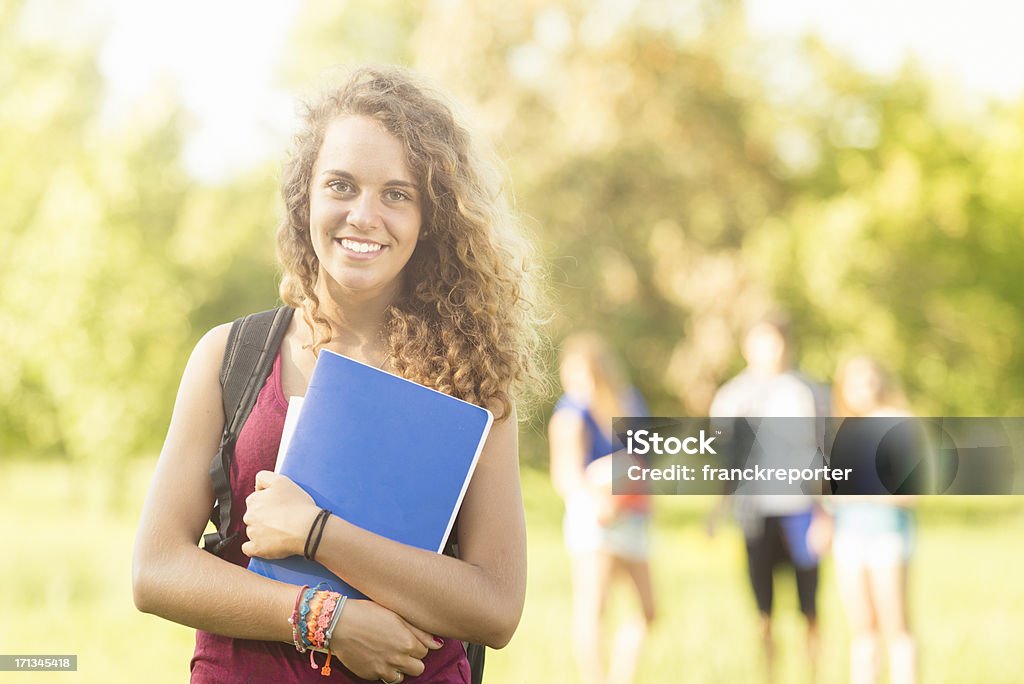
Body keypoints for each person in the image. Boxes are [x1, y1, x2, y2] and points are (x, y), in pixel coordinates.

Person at [132, 66, 545, 684]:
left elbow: (497, 608)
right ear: (306, 200)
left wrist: (317, 533)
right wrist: (325, 619)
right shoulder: (230, 358)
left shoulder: (472, 381)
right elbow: (156, 569)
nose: (364, 215)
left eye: (397, 194)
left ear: (431, 218)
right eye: (341, 186)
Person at [707, 313, 823, 684]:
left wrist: (825, 512)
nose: (769, 349)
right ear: (747, 346)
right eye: (760, 341)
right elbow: (729, 462)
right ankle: (770, 676)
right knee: (764, 609)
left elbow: (826, 455)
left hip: (801, 512)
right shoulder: (731, 397)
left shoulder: (810, 391)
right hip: (755, 515)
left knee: (810, 607)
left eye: (775, 340)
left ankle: (813, 675)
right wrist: (717, 510)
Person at [548, 332, 656, 684]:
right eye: (572, 375)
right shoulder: (570, 413)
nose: (578, 383)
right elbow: (565, 474)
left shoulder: (629, 402)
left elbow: (646, 460)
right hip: (593, 518)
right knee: (594, 607)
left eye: (585, 374)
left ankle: (620, 678)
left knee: (647, 611)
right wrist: (597, 498)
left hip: (631, 519)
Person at [828, 356, 917, 684]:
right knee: (862, 631)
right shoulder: (843, 430)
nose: (862, 389)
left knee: (896, 628)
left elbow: (911, 491)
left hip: (887, 537)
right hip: (849, 538)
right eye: (854, 382)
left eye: (869, 380)